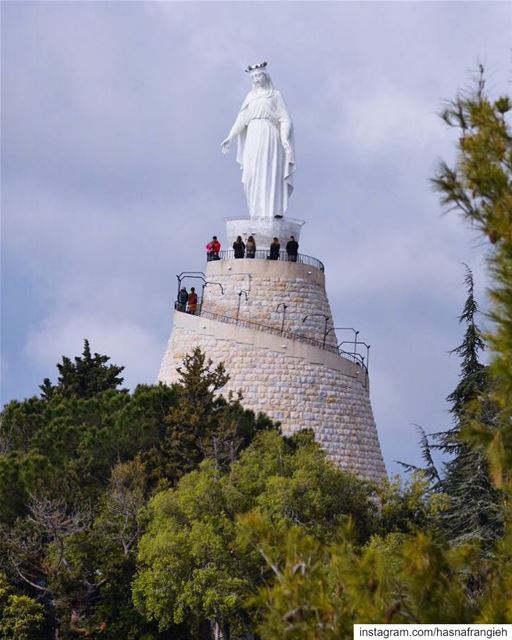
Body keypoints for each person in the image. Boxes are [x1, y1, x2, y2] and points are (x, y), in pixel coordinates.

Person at [221, 62, 295, 220]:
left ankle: (270, 212)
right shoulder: (250, 97)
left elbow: (285, 118)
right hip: (253, 137)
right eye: (253, 76)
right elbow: (241, 119)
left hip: (270, 136)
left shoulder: (275, 95)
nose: (256, 79)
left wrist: (284, 137)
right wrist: (231, 137)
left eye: (259, 75)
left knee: (268, 173)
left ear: (265, 76)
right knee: (251, 175)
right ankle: (256, 213)